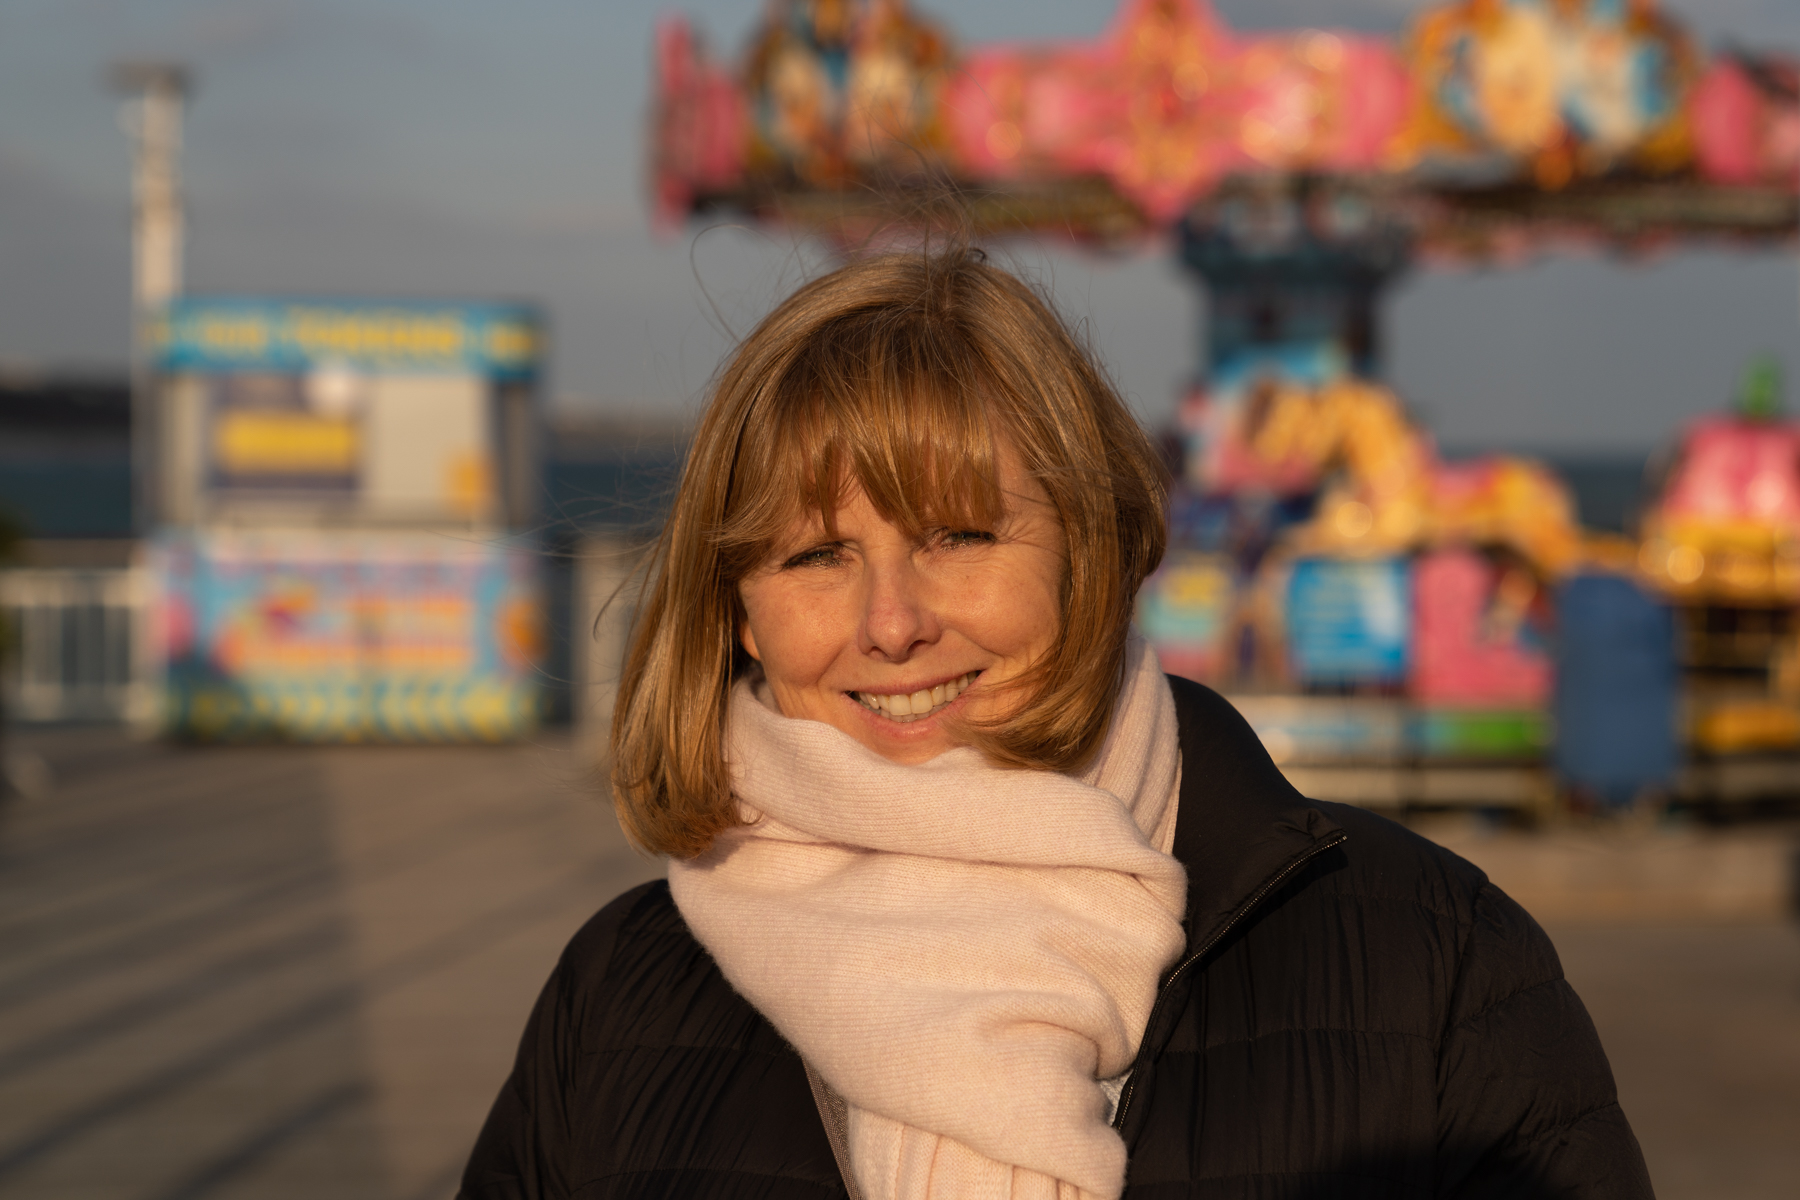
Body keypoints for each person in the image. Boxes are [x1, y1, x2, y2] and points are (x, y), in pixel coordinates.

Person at [459, 247, 1651, 1200]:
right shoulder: (620, 996)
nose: (891, 624)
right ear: (741, 616)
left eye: (958, 536)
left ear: (1099, 544)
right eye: (819, 555)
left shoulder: (1434, 962)